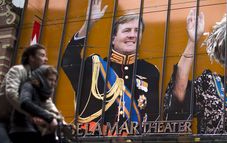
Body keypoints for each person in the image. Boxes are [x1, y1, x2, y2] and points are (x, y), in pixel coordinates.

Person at [61, 0, 159, 133]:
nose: (132, 35)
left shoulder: (150, 71)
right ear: (113, 39)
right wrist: (88, 24)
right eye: (126, 30)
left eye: (137, 31)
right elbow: (68, 61)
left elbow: (153, 117)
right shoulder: (95, 66)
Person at [9, 65, 62, 143]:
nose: (53, 83)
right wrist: (49, 118)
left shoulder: (45, 95)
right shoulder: (29, 86)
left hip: (31, 130)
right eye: (50, 79)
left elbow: (53, 112)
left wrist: (63, 123)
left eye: (55, 81)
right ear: (42, 78)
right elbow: (25, 102)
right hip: (19, 129)